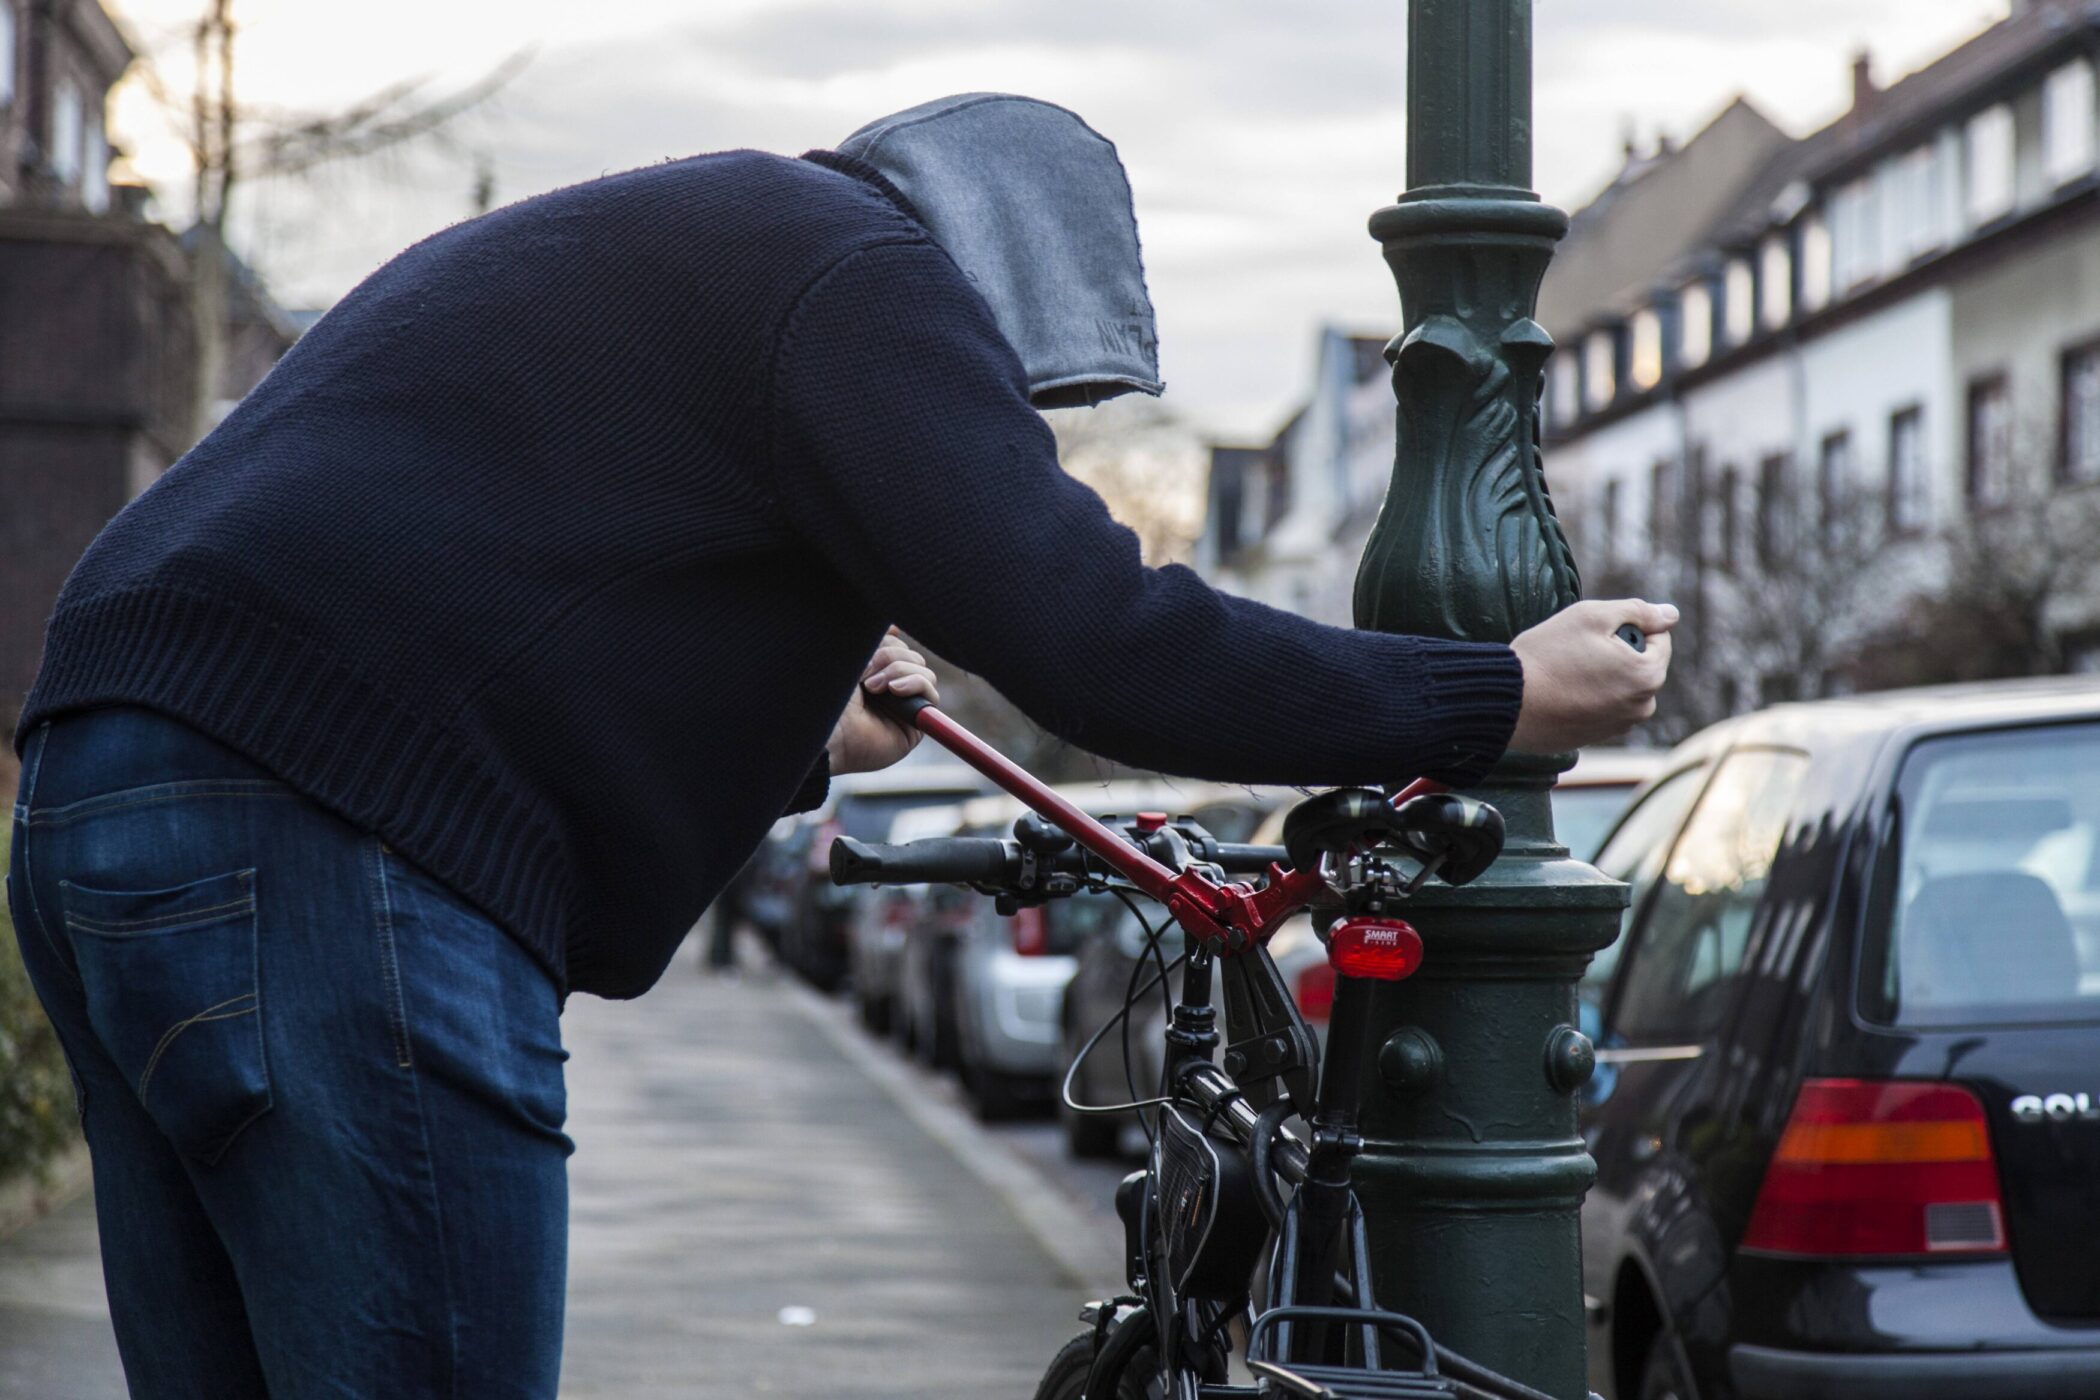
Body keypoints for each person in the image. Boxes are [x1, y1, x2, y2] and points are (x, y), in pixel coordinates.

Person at [6, 93, 1672, 1399]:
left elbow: (543, 609)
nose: (1002, 428)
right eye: (1021, 402)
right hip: (325, 833)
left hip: (107, 776)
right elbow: (1094, 638)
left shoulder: (707, 253)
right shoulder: (869, 277)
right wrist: (1489, 697)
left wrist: (803, 729)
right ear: (1006, 282)